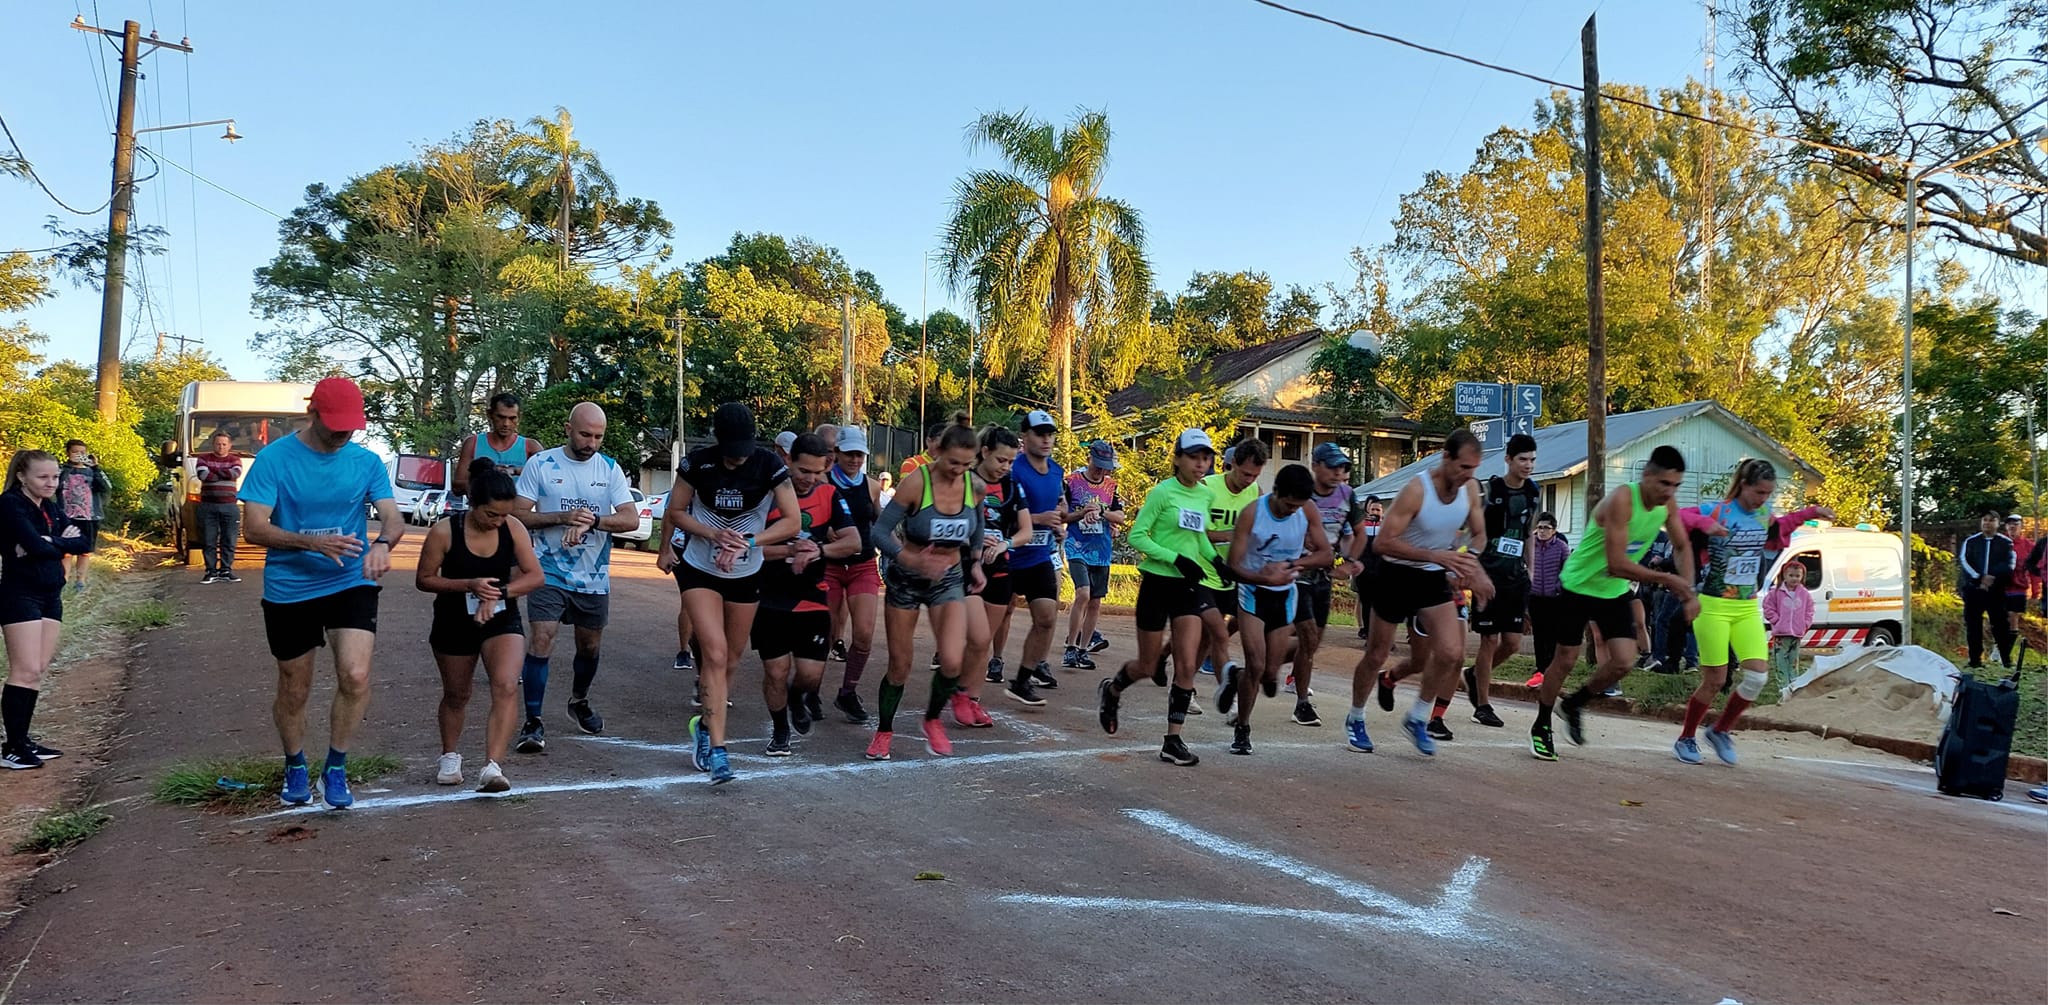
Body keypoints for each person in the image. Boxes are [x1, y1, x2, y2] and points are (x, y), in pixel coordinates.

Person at [238, 377, 404, 808]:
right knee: (295, 687)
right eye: (335, 426)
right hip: (291, 585)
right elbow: (253, 528)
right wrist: (312, 543)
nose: (343, 435)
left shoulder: (366, 462)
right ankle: (295, 763)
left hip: (351, 578)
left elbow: (393, 518)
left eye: (350, 428)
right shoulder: (274, 459)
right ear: (312, 414)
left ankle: (336, 765)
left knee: (356, 674)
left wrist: (383, 545)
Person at [657, 402, 802, 784]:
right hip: (700, 568)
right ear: (719, 441)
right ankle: (719, 752)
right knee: (715, 654)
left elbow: (792, 520)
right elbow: (676, 511)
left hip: (745, 571)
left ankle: (704, 727)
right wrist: (712, 534)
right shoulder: (697, 463)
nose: (738, 459)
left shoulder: (769, 466)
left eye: (744, 450)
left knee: (732, 660)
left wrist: (748, 542)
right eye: (732, 451)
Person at [1530, 446, 1697, 760]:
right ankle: (1541, 725)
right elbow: (1616, 563)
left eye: (1675, 485)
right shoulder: (1623, 500)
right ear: (1647, 476)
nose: (1669, 492)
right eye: (1663, 484)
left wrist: (1688, 590)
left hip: (1613, 591)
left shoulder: (1667, 505)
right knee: (1565, 660)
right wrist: (1670, 581)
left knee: (1623, 661)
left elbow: (1682, 546)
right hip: (1579, 585)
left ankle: (1574, 703)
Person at [1347, 431, 1495, 756]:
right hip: (1395, 575)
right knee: (1376, 654)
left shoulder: (1470, 488)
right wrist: (1437, 555)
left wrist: (1466, 562)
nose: (1468, 474)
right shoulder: (1417, 489)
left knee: (1452, 654)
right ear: (1446, 458)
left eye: (1473, 468)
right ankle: (1356, 717)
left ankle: (1417, 717)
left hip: (1431, 579)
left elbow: (1480, 535)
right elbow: (1383, 542)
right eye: (1463, 466)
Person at [509, 402, 641, 754]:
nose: (591, 443)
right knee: (542, 638)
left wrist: (593, 521)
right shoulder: (541, 464)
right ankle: (533, 721)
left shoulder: (610, 469)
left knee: (590, 646)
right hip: (547, 568)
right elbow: (518, 514)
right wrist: (563, 517)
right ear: (568, 429)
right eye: (585, 434)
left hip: (593, 574)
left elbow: (631, 520)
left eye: (598, 436)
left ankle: (579, 700)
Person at [1672, 459, 1817, 766]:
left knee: (1756, 677)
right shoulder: (1718, 510)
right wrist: (1703, 525)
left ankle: (1720, 730)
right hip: (1712, 605)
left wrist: (1811, 513)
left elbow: (1781, 527)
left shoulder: (1764, 514)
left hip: (1747, 605)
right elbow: (1678, 516)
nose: (1763, 499)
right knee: (1715, 680)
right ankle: (1685, 737)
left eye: (1768, 493)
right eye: (1759, 492)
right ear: (1743, 485)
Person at [1097, 429, 1226, 767]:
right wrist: (1173, 558)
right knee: (1149, 665)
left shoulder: (1204, 496)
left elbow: (1198, 538)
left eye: (1206, 457)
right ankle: (1112, 690)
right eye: (1194, 457)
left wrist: (1215, 561)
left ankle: (1173, 739)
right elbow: (1139, 536)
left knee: (1185, 664)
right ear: (1178, 458)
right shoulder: (1162, 493)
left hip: (1188, 585)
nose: (1201, 464)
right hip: (1157, 582)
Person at [415, 458, 544, 793]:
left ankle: (493, 767)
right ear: (473, 504)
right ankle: (450, 755)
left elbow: (535, 576)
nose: (498, 521)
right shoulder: (445, 531)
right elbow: (424, 580)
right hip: (454, 618)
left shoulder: (512, 528)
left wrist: (500, 592)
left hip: (501, 615)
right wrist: (468, 584)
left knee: (506, 684)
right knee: (457, 694)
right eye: (491, 515)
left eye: (504, 514)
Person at [865, 418, 984, 759]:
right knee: (900, 664)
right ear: (938, 452)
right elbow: (879, 532)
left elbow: (977, 526)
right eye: (952, 463)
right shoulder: (916, 483)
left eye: (965, 465)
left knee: (951, 661)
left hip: (948, 578)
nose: (957, 471)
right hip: (906, 578)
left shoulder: (973, 486)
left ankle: (932, 719)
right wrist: (911, 560)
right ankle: (884, 731)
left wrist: (974, 562)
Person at [752, 434, 859, 757]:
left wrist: (817, 550)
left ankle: (798, 698)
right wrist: (788, 548)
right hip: (768, 596)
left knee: (811, 675)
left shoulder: (829, 494)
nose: (809, 478)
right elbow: (749, 547)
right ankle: (781, 730)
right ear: (788, 461)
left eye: (816, 471)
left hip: (812, 595)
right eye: (803, 470)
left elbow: (853, 542)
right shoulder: (767, 496)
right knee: (776, 671)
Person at [1222, 464, 1330, 755]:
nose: (1291, 511)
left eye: (1297, 506)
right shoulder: (1252, 514)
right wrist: (1265, 577)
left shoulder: (1306, 510)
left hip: (1285, 595)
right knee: (1256, 665)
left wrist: (1296, 565)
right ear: (1276, 492)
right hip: (1253, 594)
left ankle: (1240, 678)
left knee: (1270, 674)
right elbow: (1233, 566)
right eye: (1287, 505)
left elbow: (1326, 554)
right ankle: (1242, 728)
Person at [1, 450, 92, 769]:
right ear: (22, 476)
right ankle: (11, 748)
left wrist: (48, 540)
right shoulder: (10, 504)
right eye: (43, 477)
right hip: (20, 593)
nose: (51, 483)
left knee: (37, 669)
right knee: (24, 670)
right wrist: (54, 542)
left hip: (51, 592)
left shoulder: (50, 507)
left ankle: (23, 740)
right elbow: (39, 545)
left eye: (55, 477)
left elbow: (84, 541)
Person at [963, 424, 1040, 710]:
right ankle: (957, 689)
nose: (1006, 467)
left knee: (983, 642)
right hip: (964, 567)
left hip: (1000, 566)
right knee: (972, 637)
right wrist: (976, 539)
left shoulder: (1012, 486)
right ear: (984, 452)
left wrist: (1005, 544)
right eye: (1000, 460)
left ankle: (972, 698)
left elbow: (1026, 531)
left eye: (1010, 461)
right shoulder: (965, 479)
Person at [1466, 433, 1539, 729]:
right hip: (1488, 574)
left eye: (1533, 459)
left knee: (1512, 643)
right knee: (1489, 639)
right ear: (1508, 459)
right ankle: (1482, 704)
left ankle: (1474, 675)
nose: (1528, 465)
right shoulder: (1490, 490)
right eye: (1523, 459)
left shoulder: (1533, 492)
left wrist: (1531, 569)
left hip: (1515, 576)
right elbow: (1472, 530)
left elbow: (1529, 533)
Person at [1283, 442, 1359, 728]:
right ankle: (1302, 703)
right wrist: (1312, 550)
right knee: (1307, 637)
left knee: (1310, 644)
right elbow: (1290, 527)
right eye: (1332, 466)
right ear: (1316, 465)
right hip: (1297, 573)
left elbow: (1350, 534)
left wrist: (1347, 560)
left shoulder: (1347, 496)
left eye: (1342, 467)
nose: (1338, 472)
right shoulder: (1301, 491)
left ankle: (1260, 668)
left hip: (1324, 576)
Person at [1000, 410, 1067, 692]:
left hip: (1039, 556)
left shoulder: (1056, 471)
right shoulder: (1013, 471)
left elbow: (1061, 505)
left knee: (1047, 617)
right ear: (1024, 437)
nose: (1046, 440)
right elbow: (1000, 514)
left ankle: (1024, 679)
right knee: (995, 619)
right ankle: (978, 665)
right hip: (1009, 555)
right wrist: (1038, 519)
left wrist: (1062, 519)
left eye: (1050, 434)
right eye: (1040, 434)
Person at [823, 426, 885, 723]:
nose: (854, 460)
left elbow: (882, 524)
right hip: (829, 566)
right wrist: (824, 532)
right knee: (825, 632)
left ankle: (848, 692)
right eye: (849, 453)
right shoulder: (822, 483)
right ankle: (808, 690)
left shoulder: (872, 487)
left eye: (859, 454)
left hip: (862, 565)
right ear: (836, 453)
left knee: (864, 634)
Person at [1200, 438, 1268, 695]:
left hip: (1235, 573)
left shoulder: (1256, 492)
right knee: (1212, 634)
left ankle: (1166, 658)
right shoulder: (1207, 487)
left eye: (1255, 475)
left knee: (1227, 628)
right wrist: (1234, 534)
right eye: (1246, 473)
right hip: (1203, 572)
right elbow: (1197, 533)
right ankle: (1204, 688)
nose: (1249, 480)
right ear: (1232, 465)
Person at [1062, 440, 1125, 671]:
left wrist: (1102, 512)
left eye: (1105, 466)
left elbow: (1120, 516)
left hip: (1101, 550)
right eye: (1098, 465)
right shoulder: (1071, 482)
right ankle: (1070, 646)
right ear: (1088, 459)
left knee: (1096, 601)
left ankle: (1083, 649)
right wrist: (1082, 513)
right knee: (1083, 593)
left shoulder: (1111, 486)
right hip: (1076, 546)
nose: (1101, 470)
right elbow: (1063, 516)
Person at [452, 392, 541, 503]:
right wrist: (490, 476)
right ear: (490, 414)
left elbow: (548, 479)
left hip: (518, 516)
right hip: (481, 515)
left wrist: (515, 470)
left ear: (519, 417)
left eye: (512, 418)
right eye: (501, 417)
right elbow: (457, 486)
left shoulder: (531, 447)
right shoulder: (473, 443)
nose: (506, 424)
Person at [1958, 509, 2016, 670]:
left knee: (2000, 625)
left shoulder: (2006, 543)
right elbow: (1964, 561)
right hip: (1974, 590)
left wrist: (1992, 577)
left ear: (1998, 523)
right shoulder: (1971, 541)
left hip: (1996, 591)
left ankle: (2006, 659)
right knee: (1973, 625)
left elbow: (2009, 565)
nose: (1987, 523)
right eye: (1985, 519)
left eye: (1991, 520)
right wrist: (1979, 577)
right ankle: (1975, 660)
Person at [54, 440, 110, 593]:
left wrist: (96, 467)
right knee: (65, 551)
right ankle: (63, 580)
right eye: (75, 452)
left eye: (82, 452)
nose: (79, 455)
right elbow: (54, 486)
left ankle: (80, 581)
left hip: (89, 517)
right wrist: (67, 468)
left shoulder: (93, 471)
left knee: (85, 551)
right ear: (68, 453)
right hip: (66, 516)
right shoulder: (60, 470)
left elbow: (105, 487)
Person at [1523, 513, 1569, 686]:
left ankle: (1550, 667)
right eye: (1540, 527)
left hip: (1554, 598)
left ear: (1554, 530)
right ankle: (1540, 667)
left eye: (1546, 528)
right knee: (1539, 634)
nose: (1542, 531)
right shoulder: (1531, 545)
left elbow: (1567, 571)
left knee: (1552, 634)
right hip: (1535, 597)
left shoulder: (1561, 547)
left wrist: (1558, 587)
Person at [193, 431, 245, 583]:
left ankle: (226, 570)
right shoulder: (203, 458)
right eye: (218, 444)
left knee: (229, 540)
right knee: (208, 540)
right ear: (213, 444)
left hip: (229, 506)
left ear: (229, 445)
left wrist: (214, 472)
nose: (221, 447)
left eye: (224, 444)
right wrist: (224, 473)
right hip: (208, 506)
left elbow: (235, 473)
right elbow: (203, 475)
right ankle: (210, 571)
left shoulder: (235, 459)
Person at [1761, 562, 1813, 692]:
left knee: (1793, 660)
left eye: (1797, 576)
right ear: (1784, 575)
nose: (1794, 578)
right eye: (1791, 575)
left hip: (1796, 632)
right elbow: (1768, 607)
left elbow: (1810, 610)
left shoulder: (1804, 594)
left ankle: (1794, 684)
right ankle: (1783, 686)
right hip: (1781, 633)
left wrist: (1806, 623)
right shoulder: (1776, 592)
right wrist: (1776, 620)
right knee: (1781, 661)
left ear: (1802, 576)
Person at [1349, 495, 1385, 640]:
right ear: (1367, 510)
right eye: (1373, 509)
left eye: (1378, 510)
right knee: (1366, 603)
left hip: (1382, 572)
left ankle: (1382, 635)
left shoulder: (1387, 527)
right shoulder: (1361, 527)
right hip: (1364, 572)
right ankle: (1368, 632)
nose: (1375, 512)